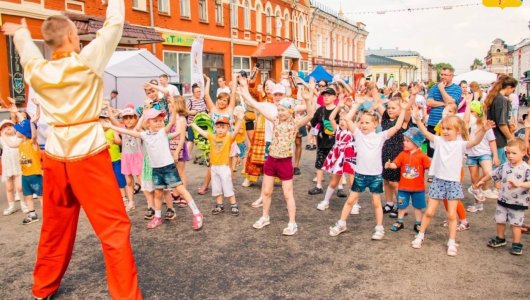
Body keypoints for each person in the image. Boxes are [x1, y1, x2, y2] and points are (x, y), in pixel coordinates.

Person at [1, 0, 142, 298]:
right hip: (87, 151)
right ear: (68, 38)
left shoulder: (37, 71)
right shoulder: (85, 62)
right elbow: (113, 26)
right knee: (114, 229)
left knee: (54, 226)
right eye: (76, 36)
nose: (79, 39)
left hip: (54, 153)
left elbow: (27, 53)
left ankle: (42, 288)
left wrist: (21, 34)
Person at [410, 108, 495, 256]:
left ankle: (451, 241)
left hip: (453, 183)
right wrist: (417, 119)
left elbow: (475, 141)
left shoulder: (461, 144)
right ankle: (420, 235)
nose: (445, 131)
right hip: (438, 181)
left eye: (449, 129)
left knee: (451, 215)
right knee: (429, 212)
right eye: (443, 128)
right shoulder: (438, 140)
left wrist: (484, 130)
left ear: (458, 131)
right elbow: (425, 133)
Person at [240, 83, 316, 235]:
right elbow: (258, 107)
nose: (280, 112)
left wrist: (307, 100)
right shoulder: (275, 120)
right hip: (272, 160)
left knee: (288, 194)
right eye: (279, 110)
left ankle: (292, 223)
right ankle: (265, 217)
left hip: (285, 162)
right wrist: (246, 94)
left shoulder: (294, 123)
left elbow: (310, 115)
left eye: (283, 110)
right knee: (266, 192)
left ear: (290, 111)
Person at [110, 108, 204, 230]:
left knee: (180, 189)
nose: (159, 122)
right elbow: (128, 132)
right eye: (155, 120)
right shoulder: (145, 135)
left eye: (160, 120)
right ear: (147, 123)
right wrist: (110, 125)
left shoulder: (163, 132)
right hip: (156, 169)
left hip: (168, 167)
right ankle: (157, 217)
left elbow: (171, 122)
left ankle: (197, 213)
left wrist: (173, 105)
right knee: (158, 193)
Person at [328, 97, 407, 240]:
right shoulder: (357, 134)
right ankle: (341, 224)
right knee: (350, 201)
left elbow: (396, 127)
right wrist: (356, 104)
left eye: (367, 122)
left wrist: (403, 111)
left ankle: (379, 228)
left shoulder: (381, 136)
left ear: (375, 124)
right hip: (360, 175)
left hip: (375, 176)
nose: (363, 125)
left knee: (376, 202)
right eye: (361, 122)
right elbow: (347, 119)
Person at [480, 139, 530, 255]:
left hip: (518, 203)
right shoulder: (505, 166)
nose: (510, 156)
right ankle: (500, 238)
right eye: (508, 153)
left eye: (514, 153)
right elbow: (492, 174)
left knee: (516, 224)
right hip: (502, 200)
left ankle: (516, 243)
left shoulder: (526, 169)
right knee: (500, 220)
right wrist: (482, 181)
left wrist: (520, 184)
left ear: (523, 152)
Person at [191, 114, 243, 216]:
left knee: (228, 186)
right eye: (218, 127)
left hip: (224, 167)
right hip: (214, 167)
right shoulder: (212, 136)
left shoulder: (228, 138)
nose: (220, 130)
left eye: (223, 127)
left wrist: (240, 119)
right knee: (216, 187)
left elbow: (236, 131)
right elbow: (203, 132)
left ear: (228, 128)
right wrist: (194, 125)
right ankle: (219, 205)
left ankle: (233, 205)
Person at [385, 127, 430, 232]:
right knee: (401, 206)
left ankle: (418, 223)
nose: (404, 143)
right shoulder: (402, 154)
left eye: (407, 141)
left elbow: (429, 166)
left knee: (418, 207)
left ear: (416, 143)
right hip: (403, 188)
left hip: (418, 188)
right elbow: (395, 164)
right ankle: (399, 221)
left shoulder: (422, 156)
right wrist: (390, 165)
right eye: (404, 140)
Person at [317, 98, 357, 212]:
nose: (342, 121)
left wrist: (352, 107)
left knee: (352, 181)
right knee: (335, 180)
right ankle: (326, 200)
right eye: (341, 119)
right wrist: (338, 107)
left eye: (345, 119)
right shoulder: (338, 130)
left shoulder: (355, 131)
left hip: (351, 156)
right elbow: (331, 118)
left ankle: (354, 204)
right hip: (339, 157)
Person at [107, 103, 144, 211]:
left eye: (131, 118)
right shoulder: (121, 128)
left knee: (142, 181)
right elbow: (112, 119)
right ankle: (131, 202)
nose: (128, 120)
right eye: (125, 118)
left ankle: (150, 203)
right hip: (126, 158)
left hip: (137, 157)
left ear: (135, 118)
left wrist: (145, 110)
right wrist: (108, 107)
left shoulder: (138, 129)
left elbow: (143, 119)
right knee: (128, 181)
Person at [308, 87, 339, 196]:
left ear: (335, 97)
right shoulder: (320, 110)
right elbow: (312, 122)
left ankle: (339, 188)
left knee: (337, 165)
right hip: (321, 142)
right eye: (324, 96)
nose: (326, 97)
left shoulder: (338, 110)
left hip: (336, 143)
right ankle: (319, 186)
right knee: (319, 164)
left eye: (328, 95)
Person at [425, 67, 462, 158]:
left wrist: (442, 89)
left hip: (448, 126)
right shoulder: (434, 87)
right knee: (432, 153)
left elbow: (452, 103)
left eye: (445, 75)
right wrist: (444, 103)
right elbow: (429, 102)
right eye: (441, 74)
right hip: (433, 123)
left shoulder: (456, 88)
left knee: (445, 153)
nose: (442, 77)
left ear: (451, 76)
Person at [0, 118, 24, 216]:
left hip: (17, 164)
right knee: (9, 187)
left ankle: (24, 204)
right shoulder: (1, 139)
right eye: (4, 127)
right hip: (7, 165)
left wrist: (3, 134)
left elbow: (13, 145)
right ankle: (11, 206)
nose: (8, 128)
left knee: (20, 187)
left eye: (10, 125)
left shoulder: (18, 138)